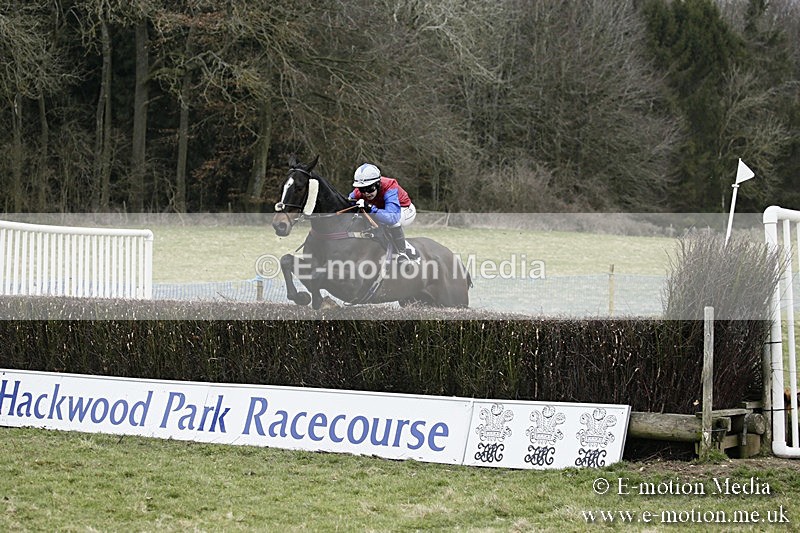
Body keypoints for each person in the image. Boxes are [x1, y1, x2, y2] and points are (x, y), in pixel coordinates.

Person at [349, 163, 418, 262]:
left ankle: (402, 253)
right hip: (383, 209)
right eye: (362, 189)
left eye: (369, 189)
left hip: (404, 210)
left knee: (391, 223)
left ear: (378, 184)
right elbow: (348, 202)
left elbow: (392, 218)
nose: (366, 193)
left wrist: (369, 208)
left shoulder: (390, 187)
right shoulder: (359, 192)